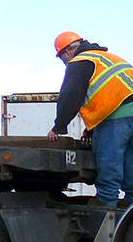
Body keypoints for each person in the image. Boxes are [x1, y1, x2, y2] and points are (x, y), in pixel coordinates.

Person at [47, 31, 133, 208]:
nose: (64, 62)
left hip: (117, 118)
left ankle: (107, 215)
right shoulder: (108, 57)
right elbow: (110, 91)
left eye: (62, 58)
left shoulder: (79, 62)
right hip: (126, 115)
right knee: (130, 168)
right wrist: (91, 129)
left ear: (68, 52)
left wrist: (58, 127)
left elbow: (70, 96)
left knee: (109, 167)